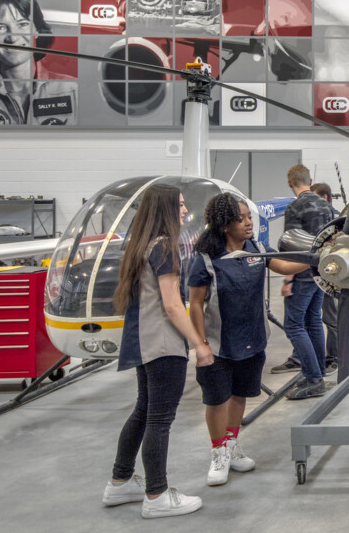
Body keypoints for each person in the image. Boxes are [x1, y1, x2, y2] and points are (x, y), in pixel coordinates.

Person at [104, 185, 209, 519]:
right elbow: (172, 304)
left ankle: (119, 483)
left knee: (144, 412)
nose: (183, 210)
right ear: (165, 209)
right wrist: (199, 343)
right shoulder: (165, 247)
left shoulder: (140, 245)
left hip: (143, 340)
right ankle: (157, 495)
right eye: (179, 205)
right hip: (163, 343)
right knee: (159, 419)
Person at [187, 193, 302, 487]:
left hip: (252, 338)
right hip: (218, 343)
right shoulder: (206, 260)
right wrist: (200, 344)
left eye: (250, 217)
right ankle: (218, 453)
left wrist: (321, 257)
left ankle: (232, 444)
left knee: (239, 395)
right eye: (241, 219)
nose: (249, 223)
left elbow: (286, 266)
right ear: (225, 224)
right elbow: (196, 304)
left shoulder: (257, 249)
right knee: (217, 400)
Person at [270, 166, 336, 400]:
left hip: (302, 274)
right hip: (322, 273)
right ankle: (318, 371)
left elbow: (292, 246)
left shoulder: (294, 208)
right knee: (313, 321)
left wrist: (288, 279)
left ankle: (313, 378)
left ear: (290, 184)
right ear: (310, 180)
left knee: (294, 325)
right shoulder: (327, 206)